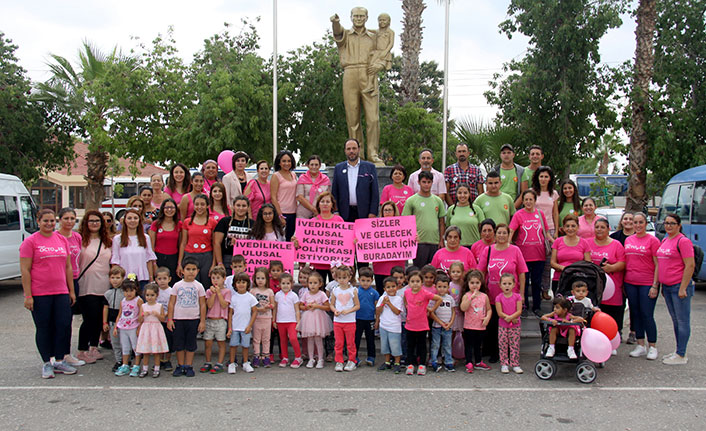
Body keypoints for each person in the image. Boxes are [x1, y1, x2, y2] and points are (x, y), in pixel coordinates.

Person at [20, 208, 78, 379]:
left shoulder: (61, 239)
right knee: (44, 327)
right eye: (45, 221)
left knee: (63, 325)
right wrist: (28, 295)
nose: (49, 224)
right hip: (40, 293)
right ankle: (47, 362)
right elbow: (25, 269)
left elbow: (68, 267)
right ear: (38, 221)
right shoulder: (30, 242)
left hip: (61, 291)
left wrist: (71, 291)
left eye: (52, 221)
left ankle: (59, 360)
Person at [331, 8, 384, 164]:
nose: (359, 19)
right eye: (356, 16)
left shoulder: (374, 36)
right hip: (350, 72)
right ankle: (356, 153)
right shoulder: (345, 34)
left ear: (367, 17)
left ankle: (373, 153)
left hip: (369, 73)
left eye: (361, 16)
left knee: (373, 118)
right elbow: (338, 32)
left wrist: (379, 65)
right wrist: (335, 22)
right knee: (352, 117)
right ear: (351, 17)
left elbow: (383, 54)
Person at [477, 224, 527, 363]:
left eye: (504, 233)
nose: (501, 235)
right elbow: (480, 271)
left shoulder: (515, 250)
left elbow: (522, 273)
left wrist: (522, 294)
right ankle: (493, 351)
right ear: (495, 234)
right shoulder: (488, 250)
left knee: (509, 324)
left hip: (510, 297)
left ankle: (507, 352)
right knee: (493, 326)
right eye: (499, 233)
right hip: (492, 295)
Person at [656, 213, 695, 365]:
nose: (668, 226)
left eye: (672, 223)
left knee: (682, 321)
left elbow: (689, 265)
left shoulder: (683, 241)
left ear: (679, 225)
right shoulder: (666, 239)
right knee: (675, 321)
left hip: (679, 286)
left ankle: (681, 354)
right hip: (667, 287)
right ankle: (678, 350)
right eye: (666, 223)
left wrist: (683, 287)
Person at [76, 210, 113, 364]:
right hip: (86, 284)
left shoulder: (108, 241)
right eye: (91, 221)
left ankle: (93, 347)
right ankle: (81, 350)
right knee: (89, 319)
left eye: (97, 221)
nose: (94, 224)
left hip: (104, 285)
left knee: (99, 318)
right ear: (86, 222)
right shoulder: (80, 240)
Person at [624, 212, 660, 360]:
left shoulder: (653, 241)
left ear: (646, 224)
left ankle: (652, 346)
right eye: (635, 222)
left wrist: (655, 285)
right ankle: (640, 344)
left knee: (647, 314)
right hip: (630, 282)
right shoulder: (628, 240)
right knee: (635, 313)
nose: (637, 225)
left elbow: (658, 264)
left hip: (647, 282)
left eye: (640, 222)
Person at [509, 190, 552, 316]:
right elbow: (511, 230)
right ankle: (524, 306)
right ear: (522, 201)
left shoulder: (540, 213)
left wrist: (556, 242)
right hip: (523, 255)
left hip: (539, 255)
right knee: (523, 282)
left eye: (530, 199)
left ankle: (537, 307)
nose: (528, 202)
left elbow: (547, 233)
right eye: (526, 199)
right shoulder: (518, 215)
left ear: (535, 200)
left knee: (537, 282)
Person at [588, 218, 626, 354]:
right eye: (597, 227)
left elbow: (623, 263)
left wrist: (610, 268)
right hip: (593, 286)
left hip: (613, 286)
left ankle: (612, 340)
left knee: (612, 313)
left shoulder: (616, 245)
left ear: (608, 229)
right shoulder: (588, 243)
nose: (599, 230)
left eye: (602, 227)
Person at [167, 256, 207, 377]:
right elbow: (171, 303)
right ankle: (180, 365)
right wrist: (170, 319)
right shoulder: (177, 285)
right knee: (179, 344)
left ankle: (188, 366)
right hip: (178, 319)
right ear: (182, 270)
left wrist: (202, 321)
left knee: (190, 344)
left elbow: (202, 304)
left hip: (193, 319)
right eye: (188, 269)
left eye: (193, 269)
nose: (191, 272)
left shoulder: (199, 286)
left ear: (197, 271)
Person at [402, 171, 446, 268]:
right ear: (419, 182)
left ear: (432, 183)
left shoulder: (438, 200)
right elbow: (406, 222)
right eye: (424, 182)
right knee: (419, 271)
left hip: (434, 242)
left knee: (432, 272)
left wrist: (441, 240)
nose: (426, 185)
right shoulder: (411, 200)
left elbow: (442, 221)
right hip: (419, 243)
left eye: (429, 182)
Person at [331, 138, 380, 223]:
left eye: (354, 148)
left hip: (364, 213)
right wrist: (336, 211)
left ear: (359, 149)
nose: (351, 151)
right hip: (344, 214)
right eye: (348, 149)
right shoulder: (338, 168)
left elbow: (374, 192)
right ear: (345, 151)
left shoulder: (370, 167)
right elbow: (335, 192)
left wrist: (373, 212)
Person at [403, 270, 442, 376]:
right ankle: (410, 364)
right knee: (410, 346)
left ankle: (422, 365)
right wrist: (408, 309)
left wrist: (431, 310)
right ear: (409, 282)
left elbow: (439, 299)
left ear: (422, 282)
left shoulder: (425, 293)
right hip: (410, 325)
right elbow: (405, 301)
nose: (415, 283)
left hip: (422, 325)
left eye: (418, 281)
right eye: (412, 281)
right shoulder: (406, 292)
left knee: (422, 346)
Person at [111, 208, 157, 291]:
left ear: (139, 220)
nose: (132, 220)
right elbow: (115, 261)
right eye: (129, 218)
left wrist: (151, 278)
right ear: (125, 220)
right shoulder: (117, 239)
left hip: (142, 279)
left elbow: (149, 259)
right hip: (124, 280)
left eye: (135, 218)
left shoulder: (146, 238)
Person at [178, 194, 218, 285]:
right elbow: (183, 243)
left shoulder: (212, 222)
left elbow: (215, 243)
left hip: (206, 256)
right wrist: (179, 263)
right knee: (191, 284)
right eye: (197, 204)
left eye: (202, 204)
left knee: (206, 284)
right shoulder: (187, 222)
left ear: (207, 206)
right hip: (190, 255)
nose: (199, 207)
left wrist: (213, 263)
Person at [200, 266, 231, 374]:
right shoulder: (209, 291)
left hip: (221, 320)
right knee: (208, 342)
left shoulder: (227, 291)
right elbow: (209, 304)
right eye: (213, 278)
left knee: (221, 342)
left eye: (218, 278)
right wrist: (213, 294)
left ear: (223, 278)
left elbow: (224, 305)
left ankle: (219, 363)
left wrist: (218, 293)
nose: (215, 280)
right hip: (210, 319)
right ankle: (208, 362)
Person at [330, 265, 361, 372]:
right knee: (338, 343)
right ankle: (339, 361)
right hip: (338, 321)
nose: (342, 280)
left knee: (350, 343)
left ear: (349, 277)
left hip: (350, 321)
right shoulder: (335, 290)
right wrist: (335, 310)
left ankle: (352, 360)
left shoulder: (353, 290)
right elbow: (332, 304)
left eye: (344, 278)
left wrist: (348, 311)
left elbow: (357, 305)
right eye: (339, 278)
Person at [298, 272, 333, 369]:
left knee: (318, 339)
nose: (312, 285)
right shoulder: (306, 294)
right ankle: (311, 358)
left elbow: (328, 307)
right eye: (310, 283)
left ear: (320, 284)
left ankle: (320, 358)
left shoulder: (321, 294)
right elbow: (300, 305)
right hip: (308, 318)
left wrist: (317, 306)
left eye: (315, 283)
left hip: (319, 318)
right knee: (310, 339)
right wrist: (306, 306)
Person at [460, 270, 492, 373]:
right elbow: (463, 308)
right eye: (472, 283)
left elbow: (489, 309)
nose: (474, 285)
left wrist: (487, 318)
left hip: (480, 326)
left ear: (481, 283)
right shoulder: (466, 295)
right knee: (469, 345)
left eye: (477, 283)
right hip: (469, 325)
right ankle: (469, 361)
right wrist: (470, 298)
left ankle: (478, 361)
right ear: (468, 283)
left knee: (478, 345)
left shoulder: (484, 296)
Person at [372, 201, 407, 293]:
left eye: (390, 210)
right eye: (385, 210)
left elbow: (407, 240)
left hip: (396, 265)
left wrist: (414, 239)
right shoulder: (374, 227)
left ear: (394, 212)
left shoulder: (403, 226)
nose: (387, 212)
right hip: (380, 266)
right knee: (381, 292)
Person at [550, 214, 591, 293]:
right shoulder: (557, 242)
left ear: (578, 227)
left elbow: (588, 264)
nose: (570, 229)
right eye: (567, 226)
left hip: (578, 282)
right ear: (563, 228)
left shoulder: (584, 243)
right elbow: (552, 263)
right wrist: (564, 268)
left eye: (573, 226)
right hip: (560, 279)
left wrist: (574, 269)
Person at [135, 283, 169, 378]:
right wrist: (143, 315)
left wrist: (157, 314)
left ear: (157, 295)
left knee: (156, 351)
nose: (149, 297)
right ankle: (145, 369)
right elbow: (139, 320)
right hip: (146, 329)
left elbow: (162, 319)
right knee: (145, 351)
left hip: (156, 328)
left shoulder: (159, 306)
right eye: (147, 295)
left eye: (152, 295)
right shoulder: (143, 306)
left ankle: (157, 369)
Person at [227, 272, 258, 374]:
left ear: (248, 284)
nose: (241, 284)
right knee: (233, 345)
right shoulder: (233, 297)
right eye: (238, 282)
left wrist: (250, 325)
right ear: (235, 284)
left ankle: (245, 362)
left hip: (246, 327)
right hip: (235, 327)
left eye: (243, 282)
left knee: (245, 346)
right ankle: (232, 363)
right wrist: (230, 328)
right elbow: (230, 313)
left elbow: (255, 312)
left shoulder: (250, 297)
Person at [213, 195, 252, 274]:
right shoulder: (224, 221)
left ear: (248, 208)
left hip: (247, 259)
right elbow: (216, 243)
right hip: (228, 258)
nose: (240, 208)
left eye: (244, 206)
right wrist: (220, 263)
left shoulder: (253, 224)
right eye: (238, 205)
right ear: (233, 206)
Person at [113, 277, 143, 377]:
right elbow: (120, 314)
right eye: (126, 291)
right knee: (125, 347)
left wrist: (139, 327)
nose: (129, 293)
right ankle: (125, 365)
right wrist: (116, 327)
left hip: (134, 327)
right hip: (123, 327)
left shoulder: (138, 300)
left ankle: (137, 365)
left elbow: (141, 315)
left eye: (131, 291)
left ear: (136, 290)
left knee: (135, 346)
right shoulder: (123, 301)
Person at [273, 273, 303, 368]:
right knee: (282, 340)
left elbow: (297, 310)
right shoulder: (277, 295)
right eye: (283, 283)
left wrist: (298, 322)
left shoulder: (294, 295)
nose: (285, 285)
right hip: (280, 321)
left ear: (291, 284)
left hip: (292, 321)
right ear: (279, 284)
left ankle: (298, 357)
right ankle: (285, 357)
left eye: (287, 283)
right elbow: (275, 308)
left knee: (293, 338)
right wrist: (274, 320)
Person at [149, 198, 182, 286]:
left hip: (173, 259)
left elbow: (181, 244)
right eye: (167, 207)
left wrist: (179, 263)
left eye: (172, 207)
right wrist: (154, 263)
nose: (169, 210)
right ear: (163, 209)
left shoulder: (179, 225)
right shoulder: (156, 224)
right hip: (159, 258)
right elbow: (151, 246)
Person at [375, 277, 404, 374]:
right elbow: (378, 311)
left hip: (394, 327)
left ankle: (397, 363)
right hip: (384, 325)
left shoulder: (398, 299)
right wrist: (383, 303)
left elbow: (397, 312)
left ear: (397, 287)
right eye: (388, 287)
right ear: (384, 289)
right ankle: (387, 362)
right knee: (385, 345)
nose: (391, 289)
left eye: (393, 286)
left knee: (395, 345)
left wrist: (389, 303)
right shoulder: (382, 298)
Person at [495, 273, 523, 374]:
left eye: (509, 283)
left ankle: (515, 363)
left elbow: (519, 310)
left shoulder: (517, 297)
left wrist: (512, 317)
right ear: (500, 285)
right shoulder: (499, 297)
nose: (507, 286)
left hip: (515, 325)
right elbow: (499, 312)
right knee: (503, 344)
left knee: (514, 344)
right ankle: (504, 363)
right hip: (503, 325)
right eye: (504, 283)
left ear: (514, 284)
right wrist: (508, 318)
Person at [429, 274, 456, 372]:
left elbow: (453, 311)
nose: (442, 289)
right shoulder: (434, 298)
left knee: (447, 344)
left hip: (448, 326)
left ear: (448, 287)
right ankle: (434, 361)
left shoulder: (450, 298)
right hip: (437, 326)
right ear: (435, 286)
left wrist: (450, 323)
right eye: (439, 287)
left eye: (444, 287)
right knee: (435, 344)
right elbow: (431, 312)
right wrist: (440, 322)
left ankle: (449, 362)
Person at [270, 150, 298, 241]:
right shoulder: (276, 176)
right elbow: (273, 198)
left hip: (293, 213)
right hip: (281, 213)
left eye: (289, 161)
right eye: (284, 161)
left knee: (290, 239)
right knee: (280, 240)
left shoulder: (293, 175)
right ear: (279, 162)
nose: (287, 163)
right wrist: (280, 215)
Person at [363, 13, 394, 96]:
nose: (382, 22)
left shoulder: (390, 32)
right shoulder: (377, 31)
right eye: (380, 20)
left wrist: (386, 51)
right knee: (371, 69)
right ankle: (371, 86)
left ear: (388, 21)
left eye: (384, 20)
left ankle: (372, 87)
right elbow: (370, 31)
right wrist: (362, 28)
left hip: (384, 55)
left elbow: (391, 43)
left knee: (374, 68)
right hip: (376, 53)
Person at [446, 184, 486, 248]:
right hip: (456, 247)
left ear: (469, 194)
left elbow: (482, 229)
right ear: (456, 194)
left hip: (474, 246)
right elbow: (448, 228)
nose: (462, 195)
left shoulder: (477, 209)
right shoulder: (451, 210)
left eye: (465, 193)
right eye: (459, 193)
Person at [355, 267, 379, 366]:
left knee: (370, 339)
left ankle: (371, 357)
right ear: (358, 280)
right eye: (363, 280)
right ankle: (354, 357)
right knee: (356, 339)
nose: (365, 283)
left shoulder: (374, 293)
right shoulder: (355, 292)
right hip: (358, 319)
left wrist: (377, 320)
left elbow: (377, 307)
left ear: (372, 281)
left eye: (368, 281)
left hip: (370, 320)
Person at [250, 267, 275, 368]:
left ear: (267, 280)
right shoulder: (252, 291)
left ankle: (266, 356)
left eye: (262, 278)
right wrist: (259, 309)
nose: (260, 280)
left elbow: (273, 304)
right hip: (256, 319)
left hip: (267, 318)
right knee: (256, 339)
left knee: (266, 339)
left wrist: (268, 306)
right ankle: (256, 356)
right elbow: (250, 305)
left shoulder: (269, 291)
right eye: (258, 278)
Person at [103, 266, 125, 372]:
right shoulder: (107, 294)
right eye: (112, 277)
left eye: (117, 277)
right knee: (115, 342)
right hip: (112, 321)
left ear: (122, 278)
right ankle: (119, 360)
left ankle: (127, 359)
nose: (115, 280)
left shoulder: (125, 293)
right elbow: (105, 308)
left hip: (124, 321)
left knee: (125, 342)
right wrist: (104, 322)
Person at [296, 155, 331, 219]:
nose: (314, 167)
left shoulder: (325, 179)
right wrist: (313, 210)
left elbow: (328, 197)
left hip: (321, 213)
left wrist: (319, 210)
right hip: (304, 213)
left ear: (320, 166)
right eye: (312, 165)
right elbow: (300, 197)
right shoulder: (302, 178)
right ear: (308, 165)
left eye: (316, 165)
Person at [154, 267, 174, 370]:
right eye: (159, 279)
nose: (162, 281)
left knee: (168, 341)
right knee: (159, 341)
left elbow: (172, 305)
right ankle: (160, 360)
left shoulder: (171, 291)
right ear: (156, 279)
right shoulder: (155, 291)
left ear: (169, 279)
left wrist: (166, 315)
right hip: (157, 321)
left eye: (164, 278)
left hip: (167, 321)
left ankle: (167, 360)